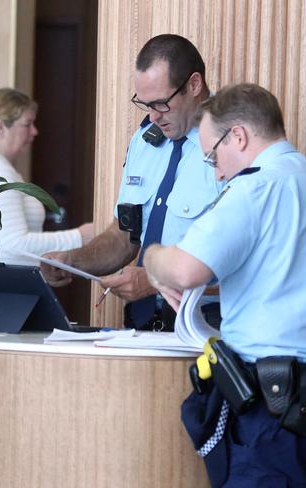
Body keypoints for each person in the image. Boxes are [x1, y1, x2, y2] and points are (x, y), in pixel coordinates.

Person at [143, 83, 306, 486]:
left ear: (239, 136)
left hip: (275, 412)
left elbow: (185, 270)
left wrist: (152, 258)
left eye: (212, 156)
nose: (217, 171)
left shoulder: (255, 188)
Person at [40, 34, 221, 330]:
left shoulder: (230, 144)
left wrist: (154, 283)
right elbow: (124, 237)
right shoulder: (144, 141)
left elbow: (249, 264)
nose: (152, 117)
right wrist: (72, 260)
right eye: (145, 104)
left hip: (204, 327)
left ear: (194, 85)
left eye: (161, 103)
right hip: (143, 324)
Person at [0, 87, 94, 266]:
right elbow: (14, 246)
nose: (34, 131)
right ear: (1, 127)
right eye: (27, 124)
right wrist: (79, 237)